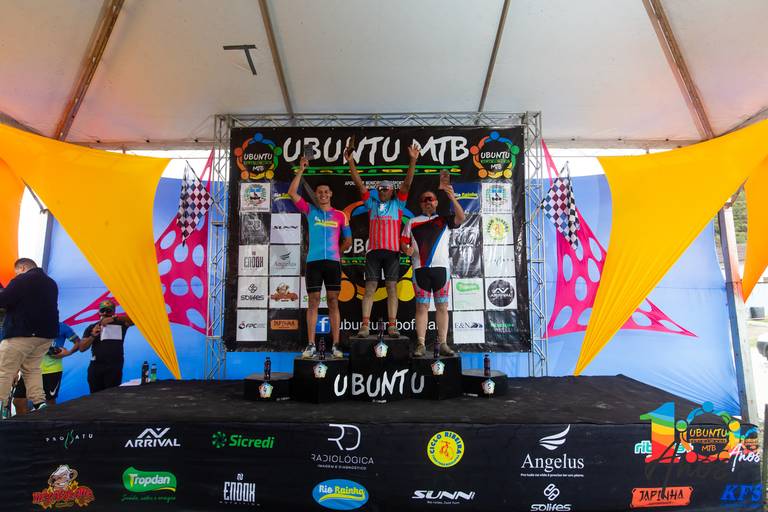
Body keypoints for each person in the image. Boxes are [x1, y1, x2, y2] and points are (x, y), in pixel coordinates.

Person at [347, 143, 418, 338]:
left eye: (386, 188)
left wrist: (413, 160)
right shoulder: (371, 204)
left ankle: (392, 326)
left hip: (393, 252)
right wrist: (351, 162)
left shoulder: (398, 204)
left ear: (392, 191)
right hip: (373, 253)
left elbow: (407, 184)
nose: (382, 191)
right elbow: (359, 184)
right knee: (369, 288)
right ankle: (365, 326)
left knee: (391, 288)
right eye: (380, 188)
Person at [289, 156, 352, 358]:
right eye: (320, 192)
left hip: (332, 263)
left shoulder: (340, 215)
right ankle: (310, 344)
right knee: (313, 301)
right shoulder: (310, 210)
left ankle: (336, 344)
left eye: (326, 192)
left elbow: (348, 240)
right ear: (315, 195)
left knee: (333, 301)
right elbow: (292, 193)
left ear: (331, 194)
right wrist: (301, 170)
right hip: (314, 262)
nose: (323, 194)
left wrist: (337, 254)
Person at [400, 186, 465, 357]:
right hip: (420, 269)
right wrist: (406, 249)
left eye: (431, 199)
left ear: (436, 202)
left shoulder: (444, 220)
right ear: (420, 204)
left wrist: (452, 197)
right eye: (424, 199)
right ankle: (421, 344)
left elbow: (461, 218)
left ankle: (443, 343)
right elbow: (403, 242)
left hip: (441, 269)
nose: (428, 202)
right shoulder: (412, 222)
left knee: (442, 306)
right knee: (421, 306)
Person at [0, 258, 59, 414]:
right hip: (45, 336)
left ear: (23, 267)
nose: (16, 275)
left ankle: (0, 403)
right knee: (32, 369)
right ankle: (39, 403)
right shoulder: (51, 283)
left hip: (22, 333)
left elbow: (3, 300)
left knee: (4, 370)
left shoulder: (22, 279)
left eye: (17, 271)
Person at [12, 321, 81, 413]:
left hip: (51, 371)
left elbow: (78, 342)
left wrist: (67, 353)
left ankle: (50, 422)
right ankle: (24, 422)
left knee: (49, 403)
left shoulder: (61, 326)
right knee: (18, 401)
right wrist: (15, 371)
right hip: (29, 371)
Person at [79, 299, 134, 393]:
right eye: (102, 310)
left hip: (114, 366)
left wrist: (114, 319)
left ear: (113, 312)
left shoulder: (121, 324)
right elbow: (82, 348)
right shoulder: (92, 327)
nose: (105, 313)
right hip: (96, 366)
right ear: (99, 312)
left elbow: (135, 319)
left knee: (112, 396)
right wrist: (92, 336)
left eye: (108, 311)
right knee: (95, 396)